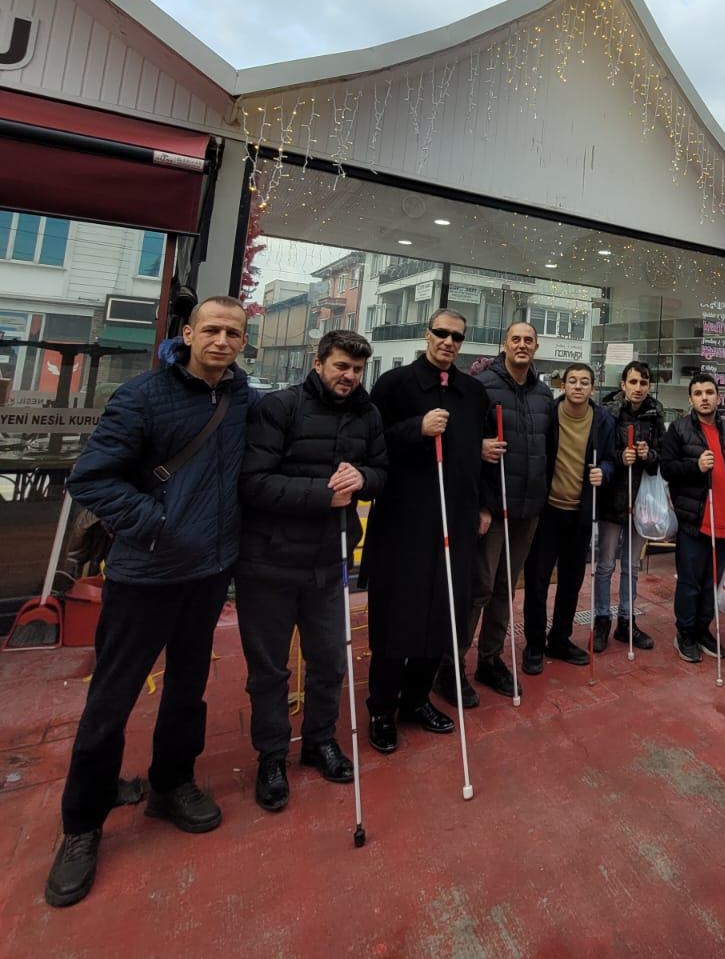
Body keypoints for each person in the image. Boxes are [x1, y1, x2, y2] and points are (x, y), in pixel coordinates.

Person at [45, 296, 251, 908]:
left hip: (207, 575)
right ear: (187, 333)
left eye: (233, 332)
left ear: (244, 341)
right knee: (112, 700)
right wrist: (157, 526)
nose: (221, 340)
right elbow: (90, 477)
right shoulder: (143, 396)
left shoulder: (242, 398)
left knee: (188, 689)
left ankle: (171, 783)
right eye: (211, 329)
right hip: (144, 576)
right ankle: (82, 825)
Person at [235, 330, 388, 812]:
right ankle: (272, 755)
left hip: (329, 558)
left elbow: (382, 473)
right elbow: (253, 482)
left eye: (357, 369)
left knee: (330, 662)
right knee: (269, 670)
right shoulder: (279, 408)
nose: (350, 376)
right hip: (269, 561)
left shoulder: (368, 414)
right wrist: (324, 494)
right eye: (341, 366)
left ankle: (320, 740)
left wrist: (364, 478)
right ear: (318, 362)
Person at [360, 311, 497, 752]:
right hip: (404, 522)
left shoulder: (472, 393)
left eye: (457, 336)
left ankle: (416, 699)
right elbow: (371, 444)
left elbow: (478, 456)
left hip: (455, 520)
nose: (449, 342)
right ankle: (382, 707)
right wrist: (414, 429)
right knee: (397, 615)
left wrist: (484, 506)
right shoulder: (393, 385)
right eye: (441, 333)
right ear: (427, 335)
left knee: (443, 613)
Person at [435, 320, 554, 707]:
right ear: (504, 344)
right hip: (492, 506)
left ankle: (490, 658)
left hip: (527, 508)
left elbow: (549, 449)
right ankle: (450, 664)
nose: (522, 345)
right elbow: (456, 439)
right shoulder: (482, 386)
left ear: (536, 347)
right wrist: (478, 454)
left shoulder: (543, 394)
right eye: (515, 339)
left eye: (529, 340)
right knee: (479, 586)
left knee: (505, 587)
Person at [521, 362, 615, 673]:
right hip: (547, 511)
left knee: (571, 582)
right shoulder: (548, 413)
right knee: (537, 580)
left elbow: (610, 458)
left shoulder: (603, 420)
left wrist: (605, 471)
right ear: (563, 385)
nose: (578, 386)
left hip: (580, 513)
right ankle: (534, 644)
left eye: (584, 382)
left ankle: (559, 639)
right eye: (572, 381)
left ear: (592, 388)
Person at [660, 372, 725, 663]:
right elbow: (667, 469)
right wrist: (695, 466)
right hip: (694, 521)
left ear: (718, 397)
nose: (704, 398)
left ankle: (703, 629)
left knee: (713, 581)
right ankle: (685, 632)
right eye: (698, 393)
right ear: (690, 399)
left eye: (709, 393)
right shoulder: (679, 430)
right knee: (690, 582)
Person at [595, 360, 666, 652]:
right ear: (623, 384)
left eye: (643, 383)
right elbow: (598, 451)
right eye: (633, 382)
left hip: (640, 501)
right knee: (605, 564)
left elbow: (661, 459)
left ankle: (626, 620)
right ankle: (601, 619)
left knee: (632, 565)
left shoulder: (655, 415)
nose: (638, 388)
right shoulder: (607, 412)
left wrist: (649, 455)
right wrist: (618, 456)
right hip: (613, 498)